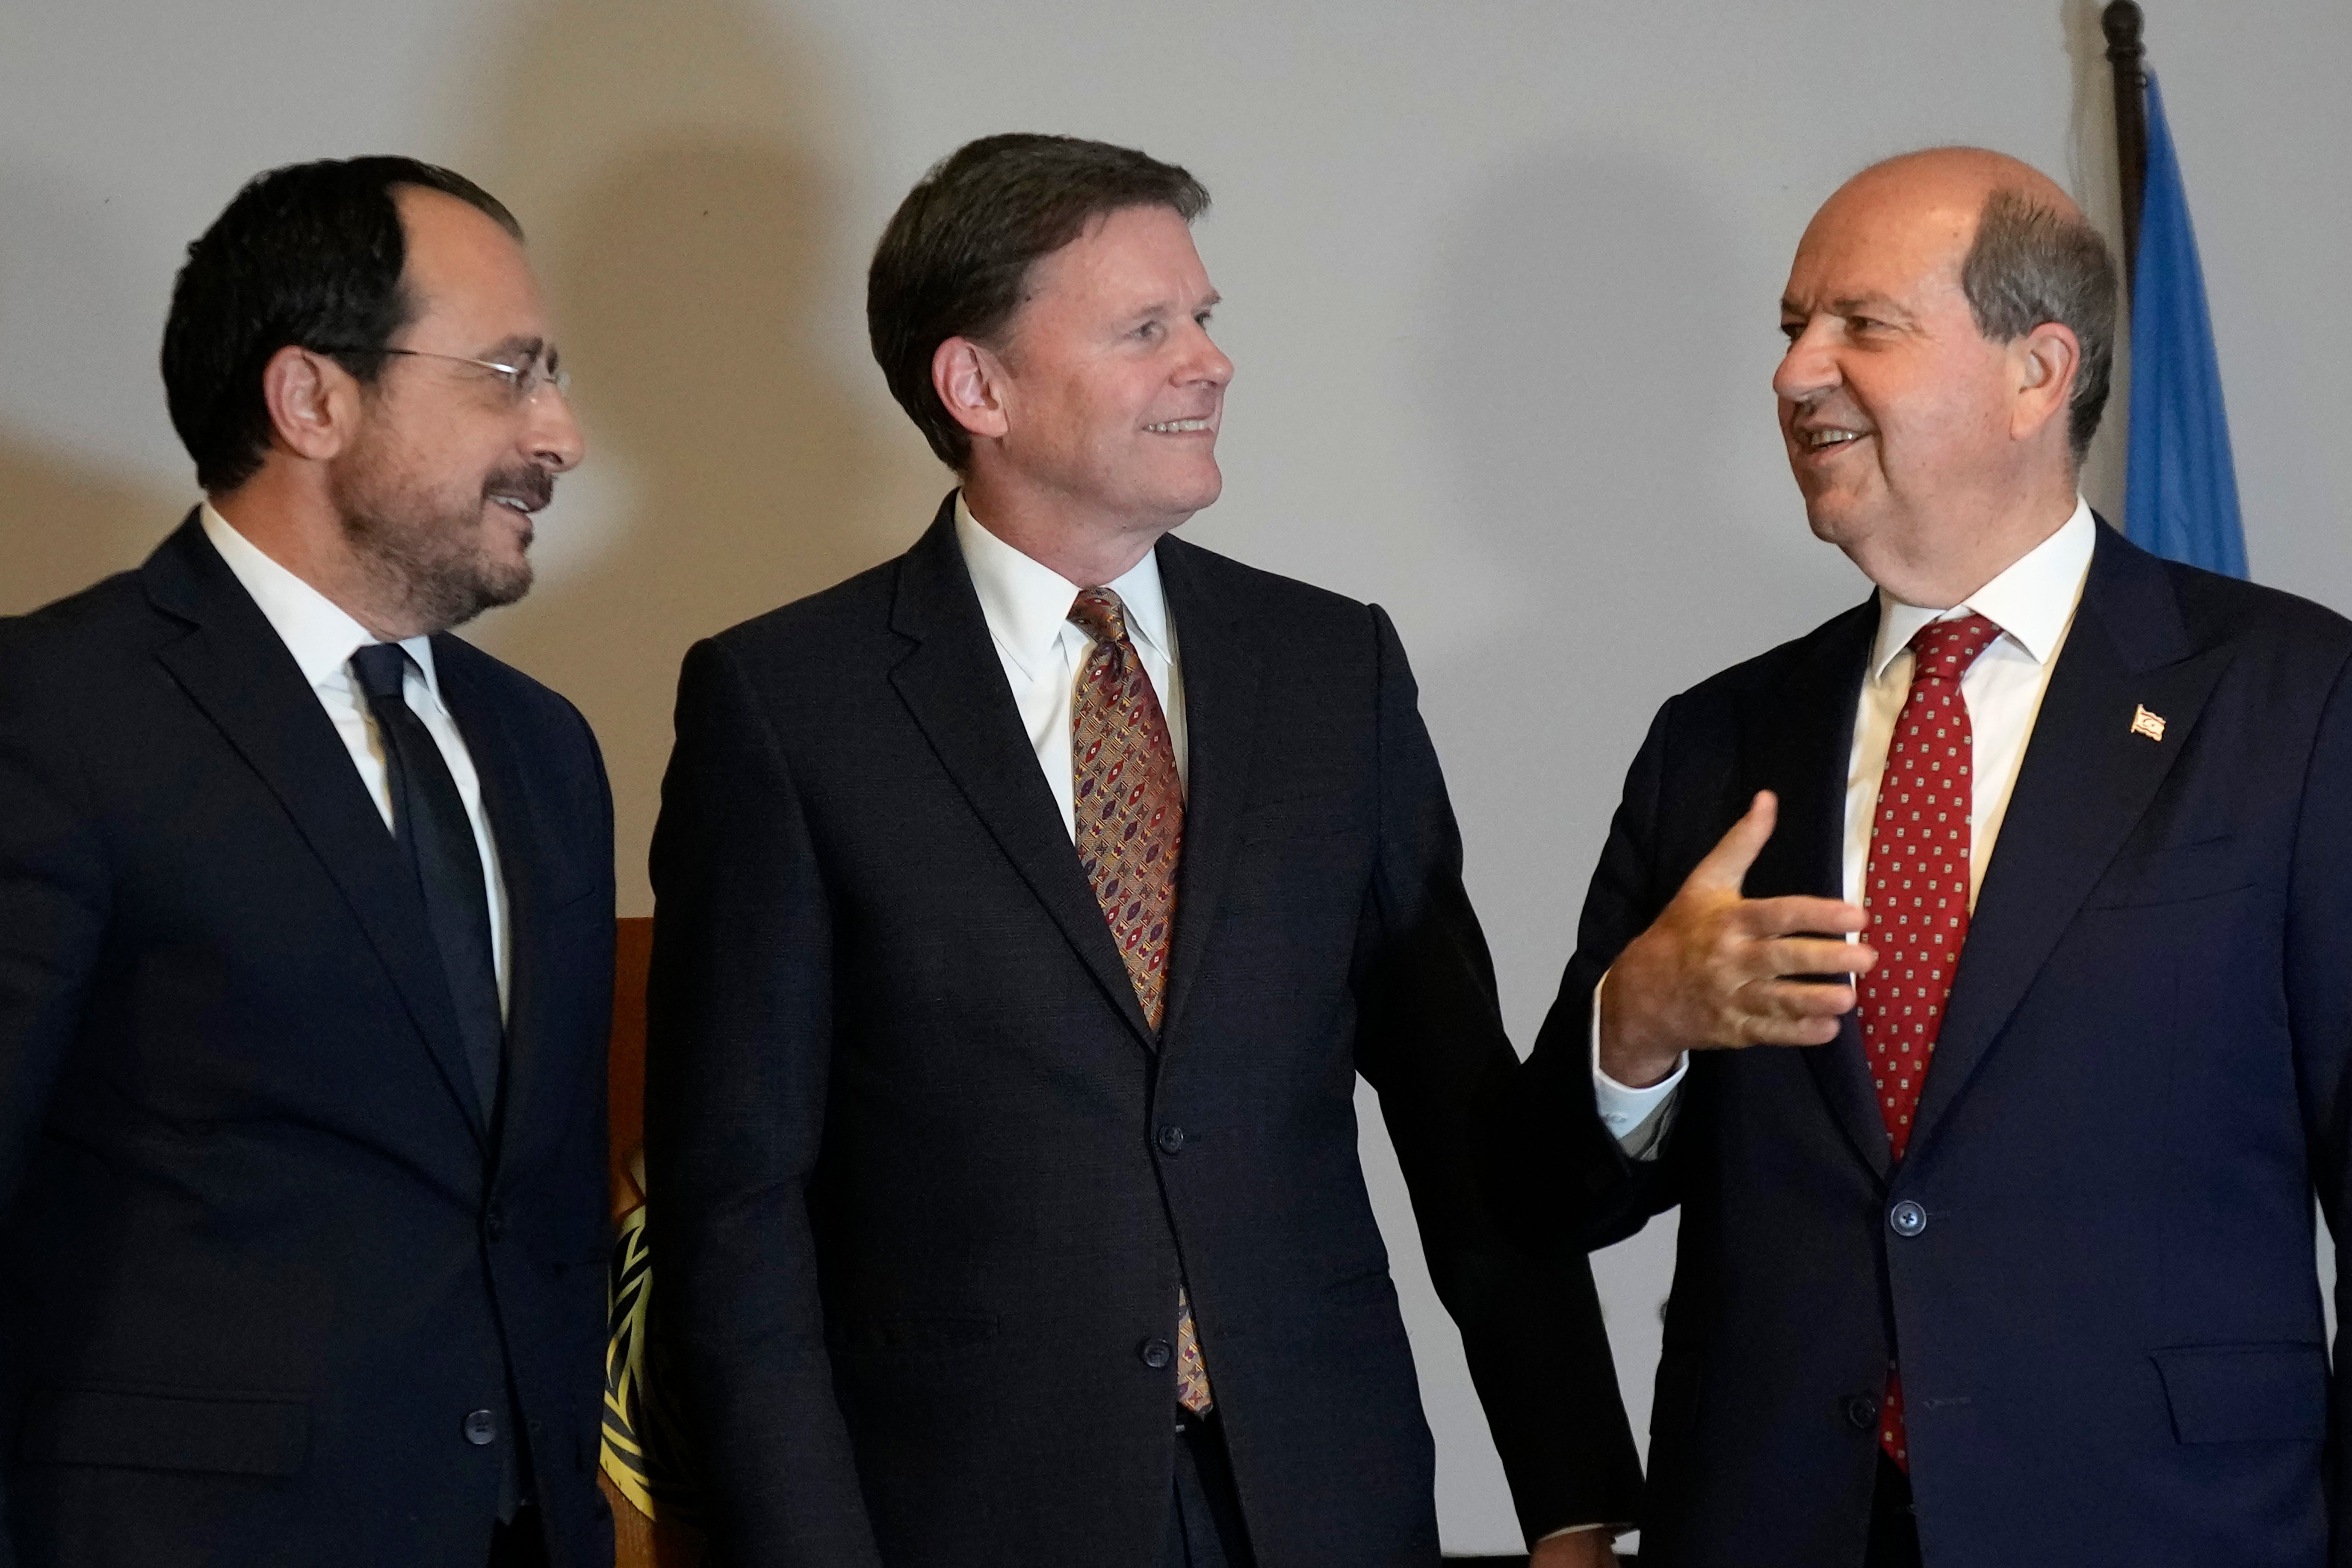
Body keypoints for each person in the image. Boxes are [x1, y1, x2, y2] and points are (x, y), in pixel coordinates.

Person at [645, 133, 1641, 1568]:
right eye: (1144, 328)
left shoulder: (1330, 671)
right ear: (975, 386)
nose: (1208, 362)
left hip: (1321, 1505)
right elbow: (735, 1211)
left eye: (1204, 319)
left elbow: (1458, 1117)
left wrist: (1571, 1493)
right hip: (967, 1514)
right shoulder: (787, 706)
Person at [1489, 145, 2352, 1567]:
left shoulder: (2293, 703)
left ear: (2037, 370)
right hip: (1775, 1524)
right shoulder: (1716, 740)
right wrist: (1629, 1028)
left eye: (1859, 327)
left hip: (2171, 1526)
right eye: (1788, 330)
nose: (1793, 374)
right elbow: (1544, 1200)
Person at [0, 158, 613, 1568]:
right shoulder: (58, 711)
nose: (561, 432)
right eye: (508, 372)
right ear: (314, 400)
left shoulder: (545, 751)